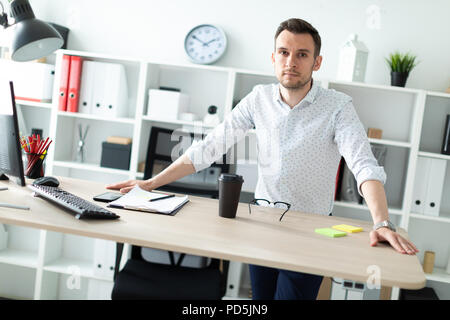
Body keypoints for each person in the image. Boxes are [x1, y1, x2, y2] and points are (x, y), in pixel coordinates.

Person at [107, 18, 419, 300]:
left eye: (302, 54)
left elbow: (363, 164)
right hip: (263, 224)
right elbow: (211, 146)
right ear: (273, 58)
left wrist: (381, 221)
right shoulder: (258, 98)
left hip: (311, 232)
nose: (291, 62)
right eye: (283, 52)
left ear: (317, 61)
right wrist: (150, 183)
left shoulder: (338, 106)